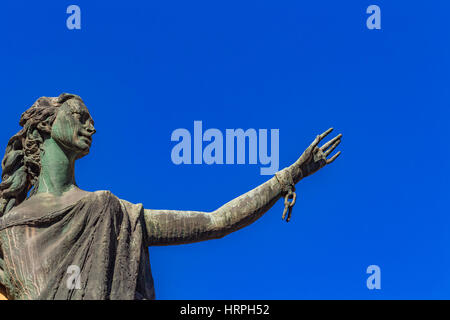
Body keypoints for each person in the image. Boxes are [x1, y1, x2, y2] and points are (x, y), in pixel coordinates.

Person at [0, 93, 341, 300]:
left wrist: (289, 176)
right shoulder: (6, 230)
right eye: (80, 115)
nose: (91, 126)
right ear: (43, 126)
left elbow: (214, 222)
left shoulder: (112, 212)